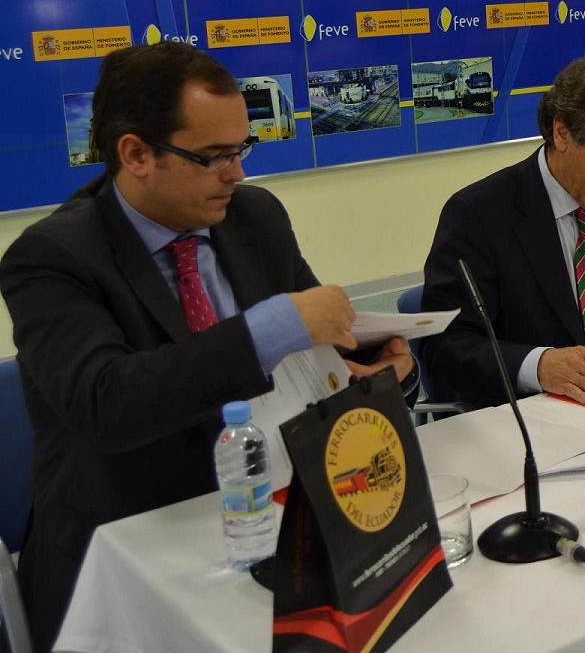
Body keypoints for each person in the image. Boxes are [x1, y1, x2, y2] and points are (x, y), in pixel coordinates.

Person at [0, 43, 414, 653]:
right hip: (130, 552)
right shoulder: (53, 257)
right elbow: (107, 404)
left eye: (242, 149)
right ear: (136, 154)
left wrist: (375, 371)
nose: (236, 174)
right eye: (213, 156)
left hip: (280, 521)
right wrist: (271, 327)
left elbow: (316, 354)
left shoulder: (254, 218)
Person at [421, 52, 585, 409]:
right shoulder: (478, 214)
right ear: (562, 133)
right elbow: (445, 349)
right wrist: (538, 365)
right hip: (535, 415)